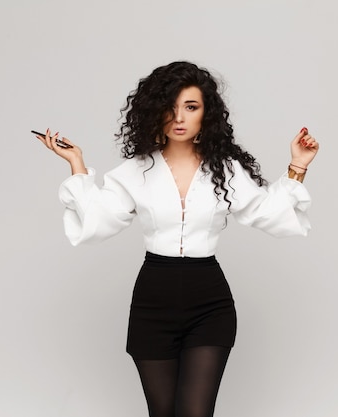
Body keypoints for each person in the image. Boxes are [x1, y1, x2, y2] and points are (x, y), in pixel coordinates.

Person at [35, 61, 319, 417]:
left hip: (209, 303)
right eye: (170, 108)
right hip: (153, 301)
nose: (180, 117)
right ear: (155, 112)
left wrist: (298, 166)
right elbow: (97, 220)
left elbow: (269, 212)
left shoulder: (226, 170)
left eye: (191, 107)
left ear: (206, 114)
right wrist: (76, 163)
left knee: (195, 413)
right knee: (163, 412)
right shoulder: (136, 170)